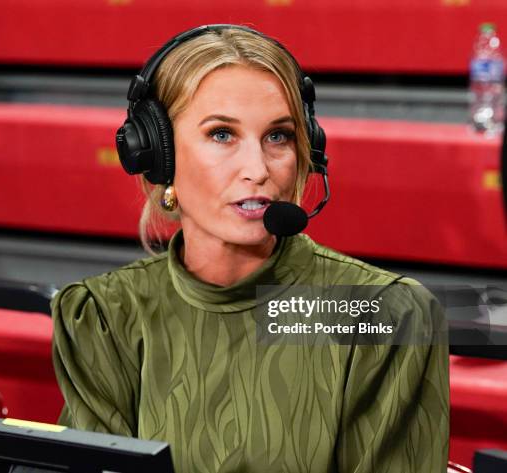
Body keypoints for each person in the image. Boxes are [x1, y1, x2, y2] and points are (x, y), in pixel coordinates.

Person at [51, 24, 449, 473]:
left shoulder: (384, 314)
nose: (257, 169)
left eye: (277, 136)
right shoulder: (104, 315)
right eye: (222, 134)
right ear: (158, 154)